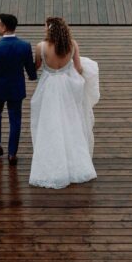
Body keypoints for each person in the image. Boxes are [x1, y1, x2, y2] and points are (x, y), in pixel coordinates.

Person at [29, 16, 99, 189]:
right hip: (67, 88)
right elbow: (78, 68)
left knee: (50, 124)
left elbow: (36, 67)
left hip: (49, 88)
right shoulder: (72, 45)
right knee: (70, 122)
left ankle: (52, 162)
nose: (44, 30)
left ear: (49, 29)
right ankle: (75, 163)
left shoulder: (41, 47)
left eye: (45, 27)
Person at [0, 13, 37, 166]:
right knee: (15, 120)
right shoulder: (25, 46)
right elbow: (31, 72)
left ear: (5, 27)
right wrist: (34, 74)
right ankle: (12, 154)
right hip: (16, 89)